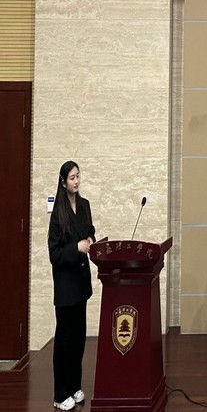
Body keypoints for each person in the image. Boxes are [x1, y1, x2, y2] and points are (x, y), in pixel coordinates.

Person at [49, 161, 96, 411]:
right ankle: (60, 393)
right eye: (72, 178)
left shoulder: (85, 205)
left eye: (78, 176)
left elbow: (91, 232)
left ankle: (75, 386)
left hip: (81, 283)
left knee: (78, 338)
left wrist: (90, 240)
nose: (76, 181)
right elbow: (54, 254)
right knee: (65, 340)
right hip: (66, 285)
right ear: (63, 182)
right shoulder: (58, 212)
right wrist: (76, 247)